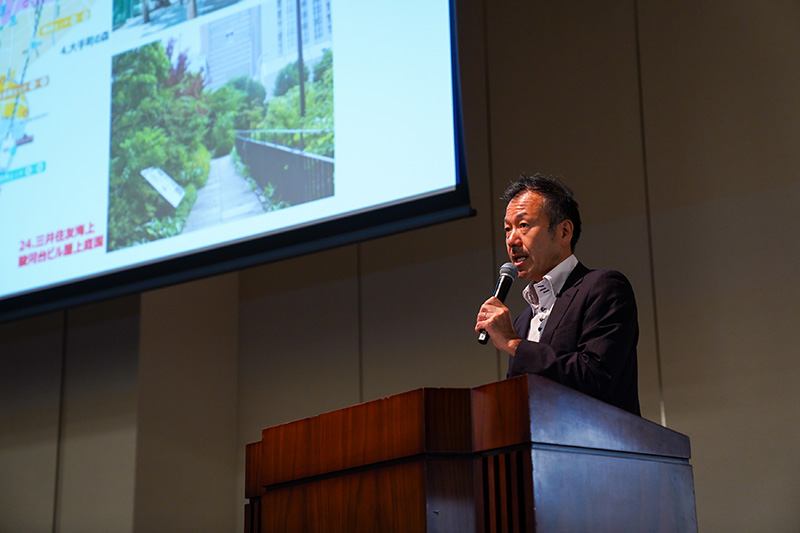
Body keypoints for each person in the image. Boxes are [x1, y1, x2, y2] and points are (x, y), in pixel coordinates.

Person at [475, 173, 640, 415]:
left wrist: (514, 344)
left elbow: (596, 377)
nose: (511, 240)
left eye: (523, 225)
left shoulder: (602, 287)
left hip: (599, 447)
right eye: (507, 229)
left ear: (564, 232)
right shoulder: (521, 321)